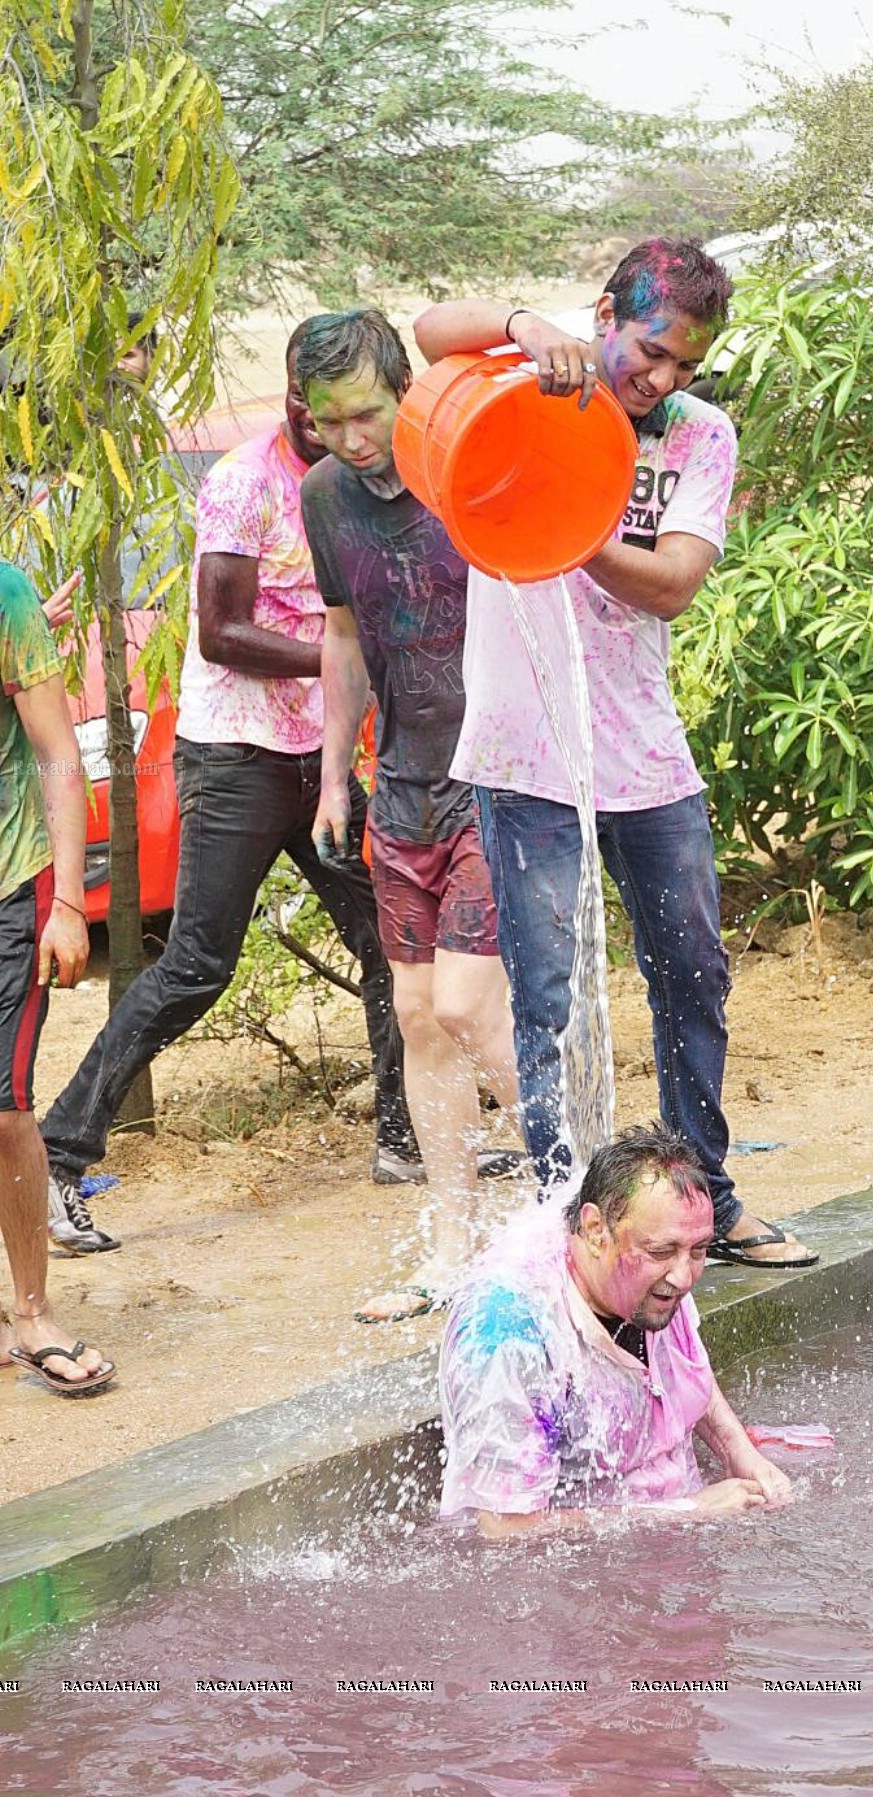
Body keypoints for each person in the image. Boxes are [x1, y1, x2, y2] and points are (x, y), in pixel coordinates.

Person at [413, 238, 815, 1267]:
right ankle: (575, 1223)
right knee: (548, 1000)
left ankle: (703, 1202)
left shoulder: (694, 435)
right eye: (649, 352)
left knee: (691, 971)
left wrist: (567, 508)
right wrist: (520, 327)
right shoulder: (526, 381)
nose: (663, 379)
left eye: (685, 362)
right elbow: (426, 334)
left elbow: (674, 580)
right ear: (603, 316)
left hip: (643, 753)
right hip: (522, 752)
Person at [38, 320, 418, 1255]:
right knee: (199, 964)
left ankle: (407, 1141)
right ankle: (56, 1155)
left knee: (394, 941)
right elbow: (217, 633)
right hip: (237, 755)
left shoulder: (368, 476)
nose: (323, 425)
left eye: (342, 410)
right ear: (292, 392)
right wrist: (342, 660)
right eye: (308, 404)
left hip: (318, 759)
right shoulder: (246, 480)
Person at [298, 309, 520, 1321]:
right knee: (423, 1021)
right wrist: (336, 771)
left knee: (475, 1009)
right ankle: (453, 1250)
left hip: (497, 770)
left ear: (405, 390)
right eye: (327, 421)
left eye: (365, 414)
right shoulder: (322, 498)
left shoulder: (460, 462)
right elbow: (341, 636)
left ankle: (600, 1198)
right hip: (403, 782)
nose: (349, 437)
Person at [439, 1122, 794, 1534]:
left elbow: (686, 1368)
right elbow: (503, 1528)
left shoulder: (656, 1269)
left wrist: (738, 1449)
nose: (684, 1277)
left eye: (699, 1251)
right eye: (663, 1251)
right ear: (595, 1232)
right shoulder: (509, 1333)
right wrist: (686, 1511)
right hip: (572, 1574)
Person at [0, 562, 115, 1394]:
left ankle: (32, 1311)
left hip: (11, 882)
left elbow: (57, 754)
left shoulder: (4, 595)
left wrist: (69, 902)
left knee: (3, 1107)